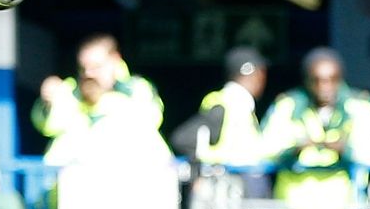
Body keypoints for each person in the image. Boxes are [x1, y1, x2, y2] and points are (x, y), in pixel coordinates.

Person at [262, 48, 370, 209]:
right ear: (306, 80)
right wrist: (294, 149)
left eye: (332, 79)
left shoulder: (360, 106)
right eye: (317, 80)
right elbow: (266, 150)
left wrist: (345, 150)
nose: (324, 87)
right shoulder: (287, 105)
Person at [32, 34, 169, 165]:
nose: (88, 74)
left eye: (96, 67)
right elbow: (47, 125)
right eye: (83, 68)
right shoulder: (69, 92)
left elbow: (150, 119)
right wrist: (48, 102)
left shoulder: (136, 89)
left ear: (115, 60)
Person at [179, 47, 269, 187]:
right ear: (254, 74)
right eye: (262, 72)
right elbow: (183, 139)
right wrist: (206, 166)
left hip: (240, 185)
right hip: (226, 188)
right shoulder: (224, 104)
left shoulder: (243, 104)